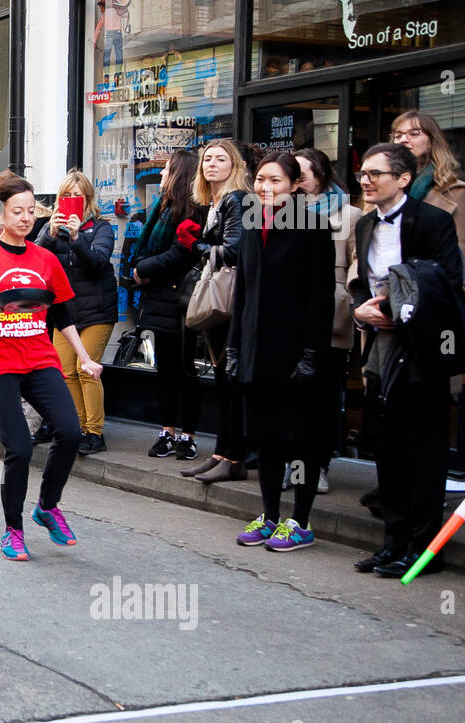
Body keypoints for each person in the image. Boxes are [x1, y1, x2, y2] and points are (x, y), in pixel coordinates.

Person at [0, 171, 104, 561]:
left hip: (39, 356)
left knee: (68, 431)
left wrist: (84, 357)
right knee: (19, 446)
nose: (26, 218)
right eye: (18, 211)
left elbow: (62, 313)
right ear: (0, 213)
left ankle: (47, 506)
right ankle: (13, 529)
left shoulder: (45, 258)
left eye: (32, 211)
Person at [349, 143, 464, 577]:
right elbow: (362, 282)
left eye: (376, 173)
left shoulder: (433, 220)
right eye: (363, 173)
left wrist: (402, 310)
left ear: (402, 179)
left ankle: (423, 547)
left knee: (425, 450)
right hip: (380, 346)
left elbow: (449, 281)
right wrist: (362, 309)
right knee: (388, 446)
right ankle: (392, 542)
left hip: (425, 349)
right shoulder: (363, 224)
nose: (366, 180)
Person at [226, 151, 334, 551]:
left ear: (293, 185)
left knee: (301, 441)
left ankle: (300, 521)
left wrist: (310, 355)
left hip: (295, 354)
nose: (265, 188)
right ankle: (269, 515)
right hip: (255, 352)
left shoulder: (314, 226)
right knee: (266, 439)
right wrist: (234, 347)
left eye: (275, 181)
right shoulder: (253, 223)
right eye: (260, 181)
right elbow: (243, 294)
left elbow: (320, 298)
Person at [129, 148, 207, 461]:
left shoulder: (196, 210)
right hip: (159, 299)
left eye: (166, 169)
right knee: (166, 371)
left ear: (179, 174)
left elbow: (181, 254)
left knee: (187, 371)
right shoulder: (162, 208)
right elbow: (144, 248)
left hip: (184, 300)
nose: (161, 175)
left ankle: (188, 435)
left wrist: (143, 270)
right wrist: (139, 268)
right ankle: (167, 431)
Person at [182, 139, 251, 483]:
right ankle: (222, 452)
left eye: (220, 159)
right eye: (207, 159)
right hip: (221, 298)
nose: (212, 164)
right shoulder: (217, 201)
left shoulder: (237, 199)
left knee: (229, 379)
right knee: (222, 379)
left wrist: (195, 245)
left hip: (230, 299)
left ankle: (233, 455)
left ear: (234, 165)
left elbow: (235, 251)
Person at [36, 170, 118, 455]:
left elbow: (98, 261)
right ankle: (78, 428)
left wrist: (76, 236)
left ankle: (95, 433)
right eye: (66, 196)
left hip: (97, 311)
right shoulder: (51, 229)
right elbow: (35, 260)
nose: (72, 201)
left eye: (77, 196)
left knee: (87, 371)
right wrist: (50, 232)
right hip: (66, 313)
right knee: (65, 371)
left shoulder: (102, 228)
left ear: (88, 199)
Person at [296, 147, 361, 495]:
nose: (298, 179)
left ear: (321, 175)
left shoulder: (350, 214)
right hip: (290, 315)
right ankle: (295, 466)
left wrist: (346, 294)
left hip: (330, 317)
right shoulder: (282, 213)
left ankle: (319, 465)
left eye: (303, 172)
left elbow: (358, 261)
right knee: (294, 398)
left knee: (322, 397)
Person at [391, 110, 465, 281]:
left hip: (430, 294)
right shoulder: (382, 189)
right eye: (398, 135)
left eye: (414, 134)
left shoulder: (455, 194)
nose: (403, 140)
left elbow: (462, 259)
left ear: (431, 142)